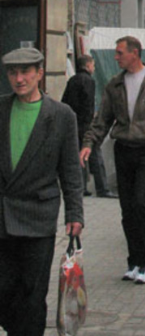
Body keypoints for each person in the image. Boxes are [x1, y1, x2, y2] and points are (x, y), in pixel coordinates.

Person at [80, 35, 145, 285]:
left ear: (135, 53)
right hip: (123, 149)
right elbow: (102, 120)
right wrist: (88, 144)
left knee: (142, 204)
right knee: (127, 210)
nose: (116, 57)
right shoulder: (115, 85)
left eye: (119, 53)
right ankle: (133, 261)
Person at [0, 47, 83, 336]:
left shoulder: (61, 116)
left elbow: (71, 170)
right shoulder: (1, 108)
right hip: (2, 216)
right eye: (13, 73)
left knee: (33, 293)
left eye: (25, 72)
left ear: (39, 74)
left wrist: (75, 213)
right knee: (4, 288)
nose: (19, 78)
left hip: (38, 217)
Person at [61, 54, 114, 198]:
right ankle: (102, 188)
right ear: (88, 65)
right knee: (95, 156)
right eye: (93, 65)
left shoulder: (72, 80)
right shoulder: (88, 81)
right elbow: (88, 105)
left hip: (73, 124)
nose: (94, 68)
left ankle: (81, 186)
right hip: (84, 125)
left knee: (79, 156)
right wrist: (91, 123)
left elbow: (65, 102)